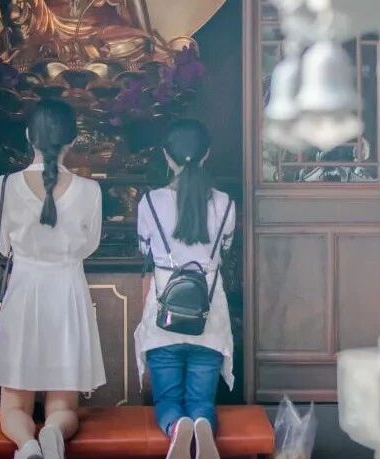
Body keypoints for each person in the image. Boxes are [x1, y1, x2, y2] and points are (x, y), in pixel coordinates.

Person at [0, 99, 106, 459]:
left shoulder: (5, 185)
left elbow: (2, 245)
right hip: (68, 294)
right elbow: (90, 245)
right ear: (72, 140)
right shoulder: (90, 190)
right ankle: (53, 432)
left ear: (28, 136)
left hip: (23, 294)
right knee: (63, 406)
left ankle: (27, 446)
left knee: (13, 407)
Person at [134, 119, 236, 459]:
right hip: (209, 314)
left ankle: (177, 426)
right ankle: (202, 423)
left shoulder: (150, 202)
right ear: (206, 155)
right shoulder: (225, 203)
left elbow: (145, 250)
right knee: (202, 400)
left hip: (164, 314)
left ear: (167, 156)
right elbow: (226, 247)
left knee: (167, 399)